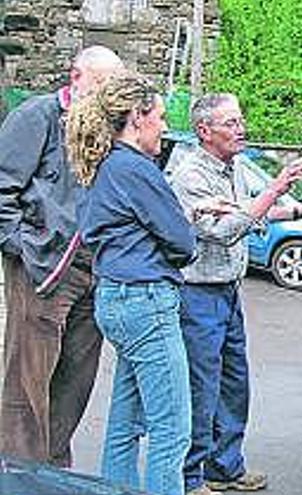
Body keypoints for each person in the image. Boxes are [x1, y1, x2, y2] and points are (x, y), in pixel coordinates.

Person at [167, 93, 302, 495]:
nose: (241, 128)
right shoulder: (190, 176)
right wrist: (277, 187)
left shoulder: (231, 167)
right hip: (197, 295)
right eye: (231, 123)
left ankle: (225, 467)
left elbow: (249, 209)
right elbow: (224, 228)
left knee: (235, 382)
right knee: (203, 386)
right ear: (204, 130)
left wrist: (296, 209)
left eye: (240, 120)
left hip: (228, 292)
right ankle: (191, 477)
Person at [67, 71, 197, 495]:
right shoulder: (136, 169)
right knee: (172, 430)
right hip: (146, 303)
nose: (164, 126)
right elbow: (182, 243)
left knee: (125, 424)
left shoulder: (106, 166)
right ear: (137, 118)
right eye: (159, 116)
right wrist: (183, 226)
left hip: (116, 300)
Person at [0, 45, 124, 466]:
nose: (110, 94)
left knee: (76, 378)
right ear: (76, 76)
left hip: (94, 268)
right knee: (27, 379)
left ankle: (54, 469)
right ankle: (19, 473)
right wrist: (24, 246)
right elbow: (3, 187)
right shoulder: (38, 116)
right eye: (104, 83)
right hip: (43, 266)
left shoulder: (107, 129)